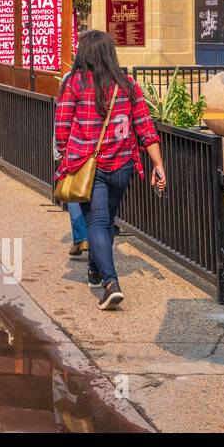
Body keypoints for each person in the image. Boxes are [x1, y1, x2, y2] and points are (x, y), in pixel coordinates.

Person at [54, 30, 166, 310]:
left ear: (84, 54)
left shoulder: (76, 84)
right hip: (123, 164)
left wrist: (65, 155)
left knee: (97, 222)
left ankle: (110, 283)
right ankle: (95, 269)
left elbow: (62, 127)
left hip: (89, 166)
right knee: (106, 220)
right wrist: (158, 164)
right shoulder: (127, 84)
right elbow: (145, 127)